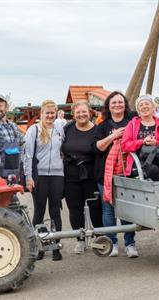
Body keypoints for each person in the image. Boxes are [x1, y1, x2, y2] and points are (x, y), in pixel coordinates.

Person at [93, 91, 138, 258]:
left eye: (120, 102)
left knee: (126, 209)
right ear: (108, 106)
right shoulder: (103, 125)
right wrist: (114, 136)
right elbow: (97, 147)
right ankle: (112, 243)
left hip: (126, 172)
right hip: (105, 173)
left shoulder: (132, 121)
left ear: (125, 105)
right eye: (114, 103)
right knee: (108, 210)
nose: (117, 105)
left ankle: (130, 243)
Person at [23, 99, 64, 261]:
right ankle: (39, 246)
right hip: (39, 176)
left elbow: (64, 150)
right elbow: (27, 155)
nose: (50, 116)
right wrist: (28, 177)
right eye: (47, 113)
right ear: (42, 113)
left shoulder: (60, 129)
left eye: (52, 113)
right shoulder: (34, 130)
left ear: (55, 114)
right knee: (39, 212)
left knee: (55, 211)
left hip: (57, 175)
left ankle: (55, 247)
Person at [62, 101, 102, 254]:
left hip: (91, 173)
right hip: (71, 173)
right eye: (78, 112)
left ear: (90, 112)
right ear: (73, 114)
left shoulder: (97, 130)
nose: (81, 115)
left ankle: (99, 238)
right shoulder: (68, 128)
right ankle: (80, 239)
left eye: (84, 111)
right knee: (75, 209)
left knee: (95, 208)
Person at [121, 94, 159, 181]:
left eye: (147, 104)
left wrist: (157, 143)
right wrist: (142, 141)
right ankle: (157, 194)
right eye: (141, 105)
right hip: (140, 160)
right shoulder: (132, 124)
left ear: (153, 107)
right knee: (152, 169)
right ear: (138, 110)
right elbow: (125, 145)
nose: (144, 107)